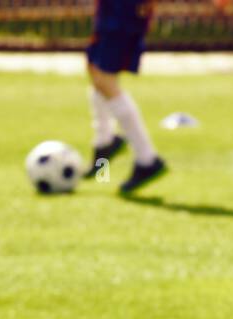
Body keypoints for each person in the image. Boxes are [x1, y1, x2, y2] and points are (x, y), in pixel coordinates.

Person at [86, 0, 167, 194]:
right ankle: (104, 144)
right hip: (110, 10)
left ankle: (147, 159)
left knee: (105, 80)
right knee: (95, 71)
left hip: (124, 12)